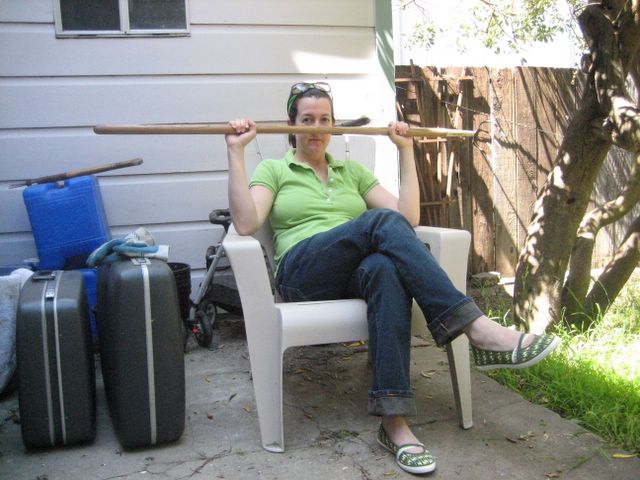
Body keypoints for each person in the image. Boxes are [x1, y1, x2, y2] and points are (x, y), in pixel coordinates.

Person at [225, 81, 560, 475]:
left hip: (350, 274)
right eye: (307, 119)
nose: (316, 128)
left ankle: (394, 422)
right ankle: (474, 326)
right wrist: (236, 152)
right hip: (302, 274)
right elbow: (246, 223)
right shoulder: (274, 169)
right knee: (379, 222)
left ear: (333, 125)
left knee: (385, 270)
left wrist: (406, 150)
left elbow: (409, 218)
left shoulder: (351, 172)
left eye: (324, 119)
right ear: (291, 125)